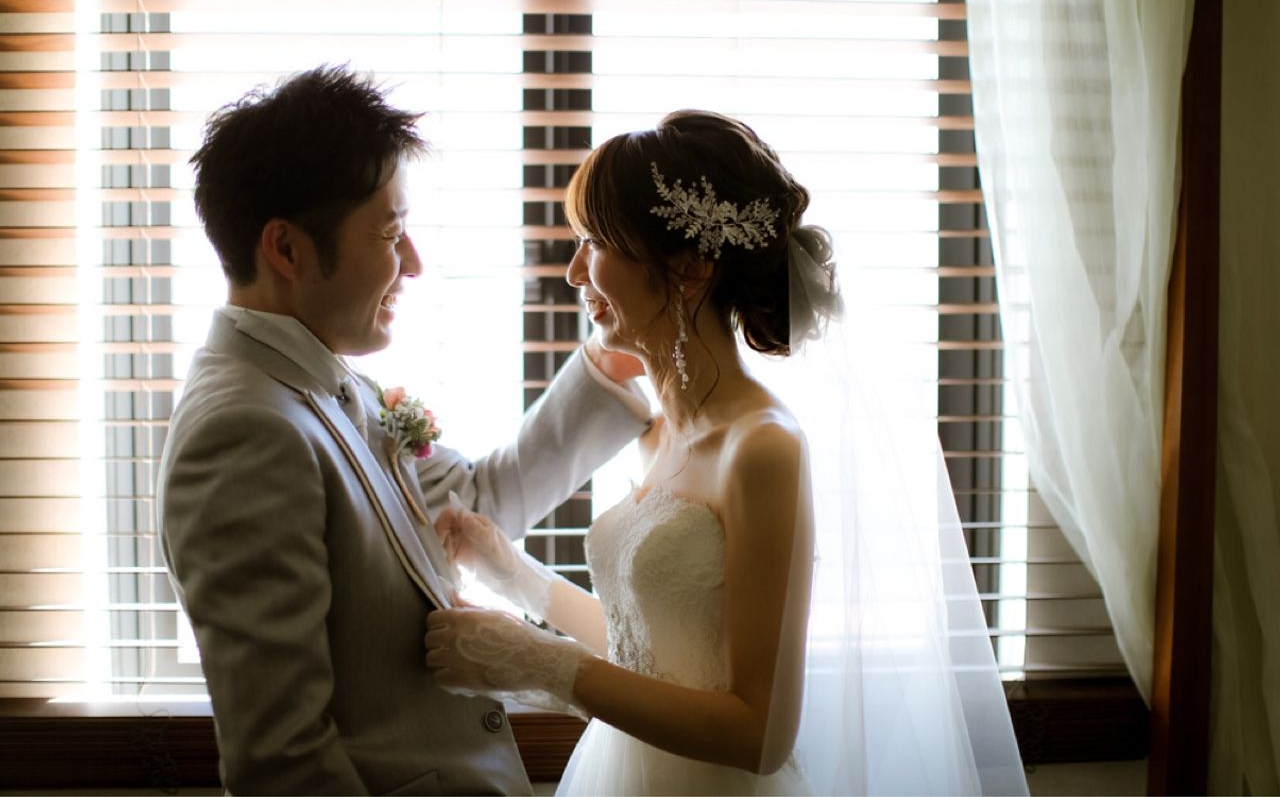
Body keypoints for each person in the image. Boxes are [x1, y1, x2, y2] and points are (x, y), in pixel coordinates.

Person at [425, 110, 1030, 795]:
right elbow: (652, 648)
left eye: (593, 242)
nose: (573, 272)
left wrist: (542, 664)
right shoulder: (659, 435)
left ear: (690, 267)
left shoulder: (763, 447)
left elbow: (760, 734)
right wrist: (513, 575)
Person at [157, 65, 651, 795]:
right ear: (286, 250)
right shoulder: (244, 434)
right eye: (391, 233)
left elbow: (469, 509)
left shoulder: (328, 386)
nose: (413, 263)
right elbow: (283, 763)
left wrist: (609, 365)